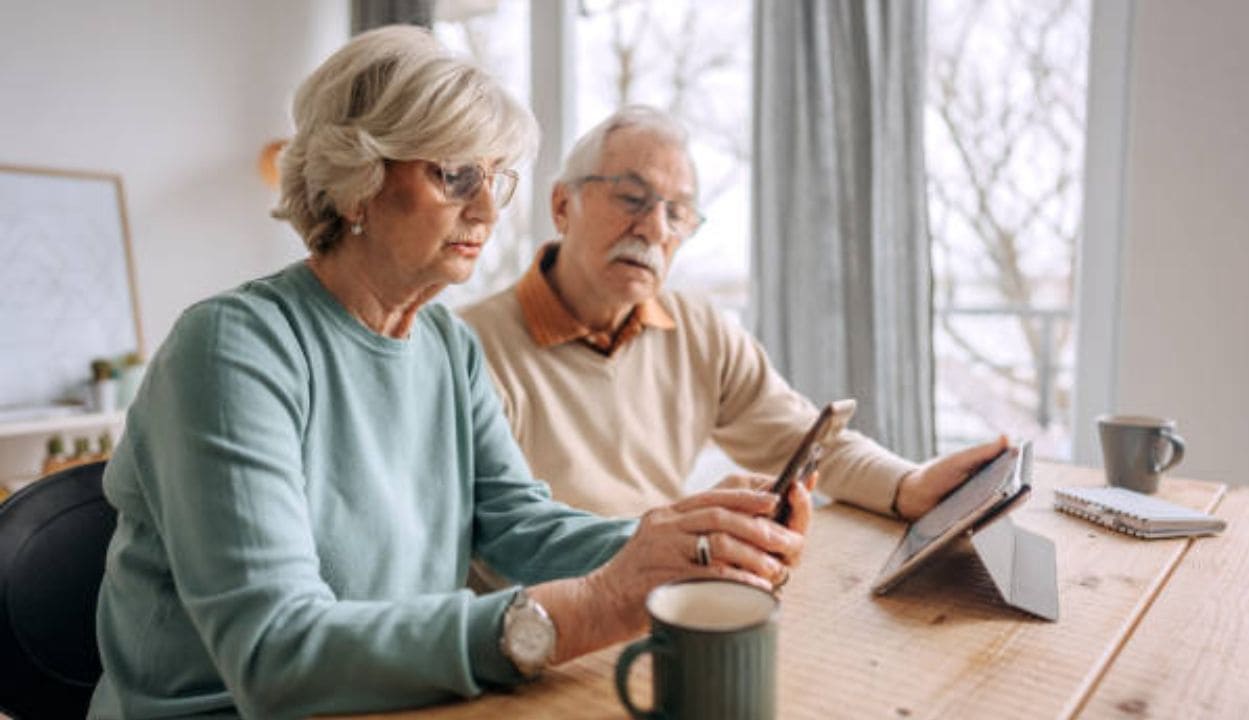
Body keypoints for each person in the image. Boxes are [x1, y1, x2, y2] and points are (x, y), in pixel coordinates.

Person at [89, 29, 812, 720]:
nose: (491, 208)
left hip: (391, 702)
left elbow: (517, 524)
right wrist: (589, 607)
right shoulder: (232, 350)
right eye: (456, 174)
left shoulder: (443, 341)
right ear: (355, 183)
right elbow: (276, 654)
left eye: (498, 177)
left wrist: (683, 542)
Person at [461, 105, 1006, 521]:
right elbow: (504, 536)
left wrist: (908, 485)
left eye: (677, 212)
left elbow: (805, 440)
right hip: (554, 614)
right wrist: (679, 532)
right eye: (632, 199)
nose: (655, 229)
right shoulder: (472, 349)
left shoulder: (699, 331)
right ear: (562, 206)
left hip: (667, 588)